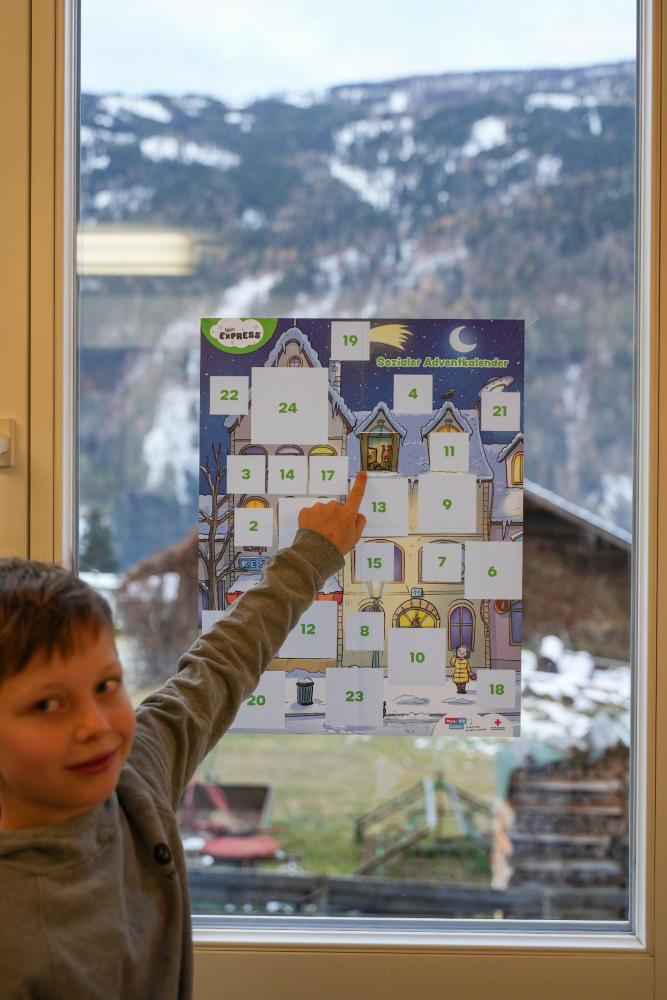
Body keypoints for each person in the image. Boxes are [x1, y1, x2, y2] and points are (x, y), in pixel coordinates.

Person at [0, 473, 367, 999]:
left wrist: (312, 555)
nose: (97, 726)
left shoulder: (134, 780)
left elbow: (219, 666)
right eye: (47, 705)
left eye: (106, 685)